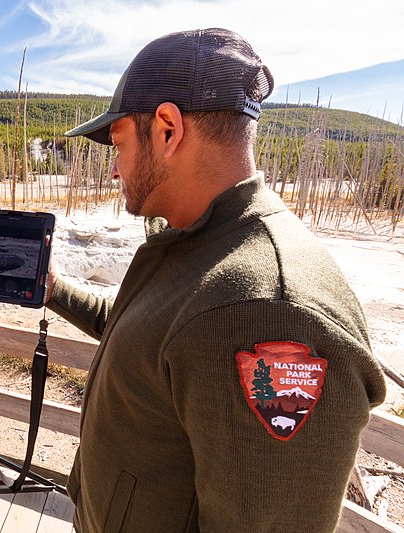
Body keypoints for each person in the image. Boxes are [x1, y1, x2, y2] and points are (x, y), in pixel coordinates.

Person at [47, 28, 387, 532]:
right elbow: (150, 340)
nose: (114, 170)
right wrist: (54, 290)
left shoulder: (268, 308)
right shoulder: (197, 242)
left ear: (166, 129)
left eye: (117, 144)